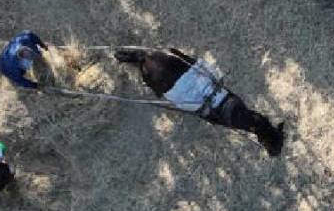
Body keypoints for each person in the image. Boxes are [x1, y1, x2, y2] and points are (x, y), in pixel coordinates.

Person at [114, 47, 285, 156]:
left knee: (207, 76)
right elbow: (249, 120)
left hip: (206, 86)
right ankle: (140, 61)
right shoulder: (246, 120)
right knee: (175, 100)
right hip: (200, 99)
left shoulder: (252, 118)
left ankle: (162, 58)